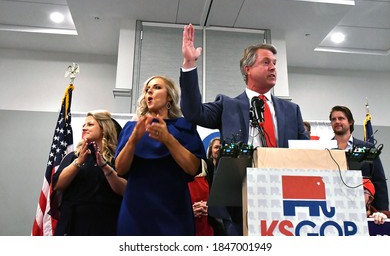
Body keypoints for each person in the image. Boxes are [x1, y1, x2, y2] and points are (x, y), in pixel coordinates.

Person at [180, 24, 308, 235]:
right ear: (247, 69)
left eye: (274, 63)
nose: (273, 67)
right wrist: (189, 63)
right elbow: (193, 112)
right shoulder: (228, 105)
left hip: (285, 198)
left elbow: (304, 153)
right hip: (239, 200)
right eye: (266, 62)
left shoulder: (291, 111)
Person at [115, 75, 206, 236]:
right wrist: (134, 140)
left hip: (174, 210)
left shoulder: (184, 126)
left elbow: (193, 168)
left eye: (157, 87)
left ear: (169, 97)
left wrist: (167, 139)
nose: (150, 91)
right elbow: (120, 169)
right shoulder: (131, 128)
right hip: (135, 210)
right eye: (147, 89)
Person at [52, 110, 126, 236]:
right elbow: (58, 184)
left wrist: (104, 166)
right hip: (72, 224)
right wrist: (79, 161)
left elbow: (125, 189)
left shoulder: (119, 158)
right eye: (84, 125)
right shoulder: (73, 156)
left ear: (104, 128)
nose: (84, 127)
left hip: (106, 224)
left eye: (90, 124)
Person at [329, 105, 388, 210]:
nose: (337, 121)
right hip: (332, 207)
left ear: (350, 122)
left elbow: (378, 180)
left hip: (362, 208)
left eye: (341, 118)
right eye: (334, 119)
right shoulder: (325, 148)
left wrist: (382, 211)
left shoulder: (367, 148)